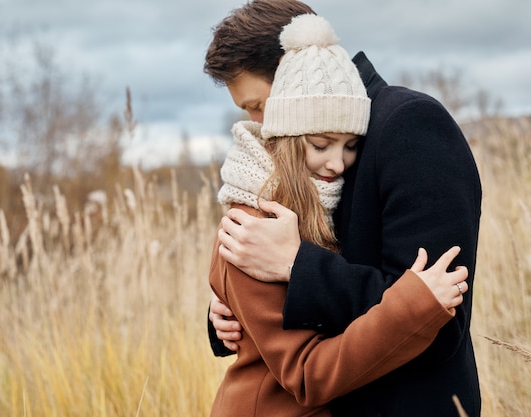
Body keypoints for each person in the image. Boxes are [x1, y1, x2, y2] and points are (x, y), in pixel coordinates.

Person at [204, 1, 482, 416]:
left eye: (258, 105)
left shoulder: (411, 127)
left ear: (295, 71)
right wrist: (232, 306)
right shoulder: (291, 169)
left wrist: (296, 266)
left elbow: (440, 316)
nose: (261, 126)